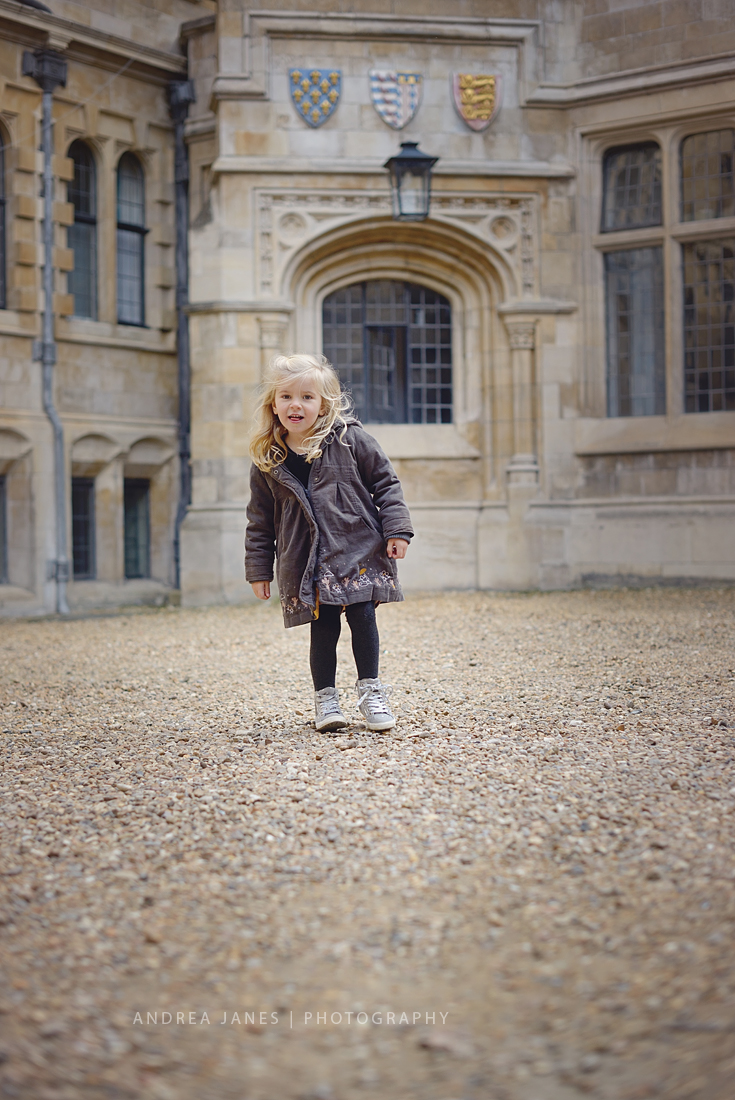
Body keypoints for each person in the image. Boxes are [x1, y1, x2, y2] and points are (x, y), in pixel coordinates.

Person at [245, 353, 413, 733]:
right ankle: (326, 699)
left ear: (324, 404)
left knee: (362, 614)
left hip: (357, 545)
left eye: (307, 397)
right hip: (306, 558)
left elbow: (386, 483)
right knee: (322, 627)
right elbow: (259, 521)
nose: (296, 405)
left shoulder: (350, 438)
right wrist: (258, 570)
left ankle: (371, 692)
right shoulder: (268, 459)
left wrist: (397, 530)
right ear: (273, 404)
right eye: (286, 396)